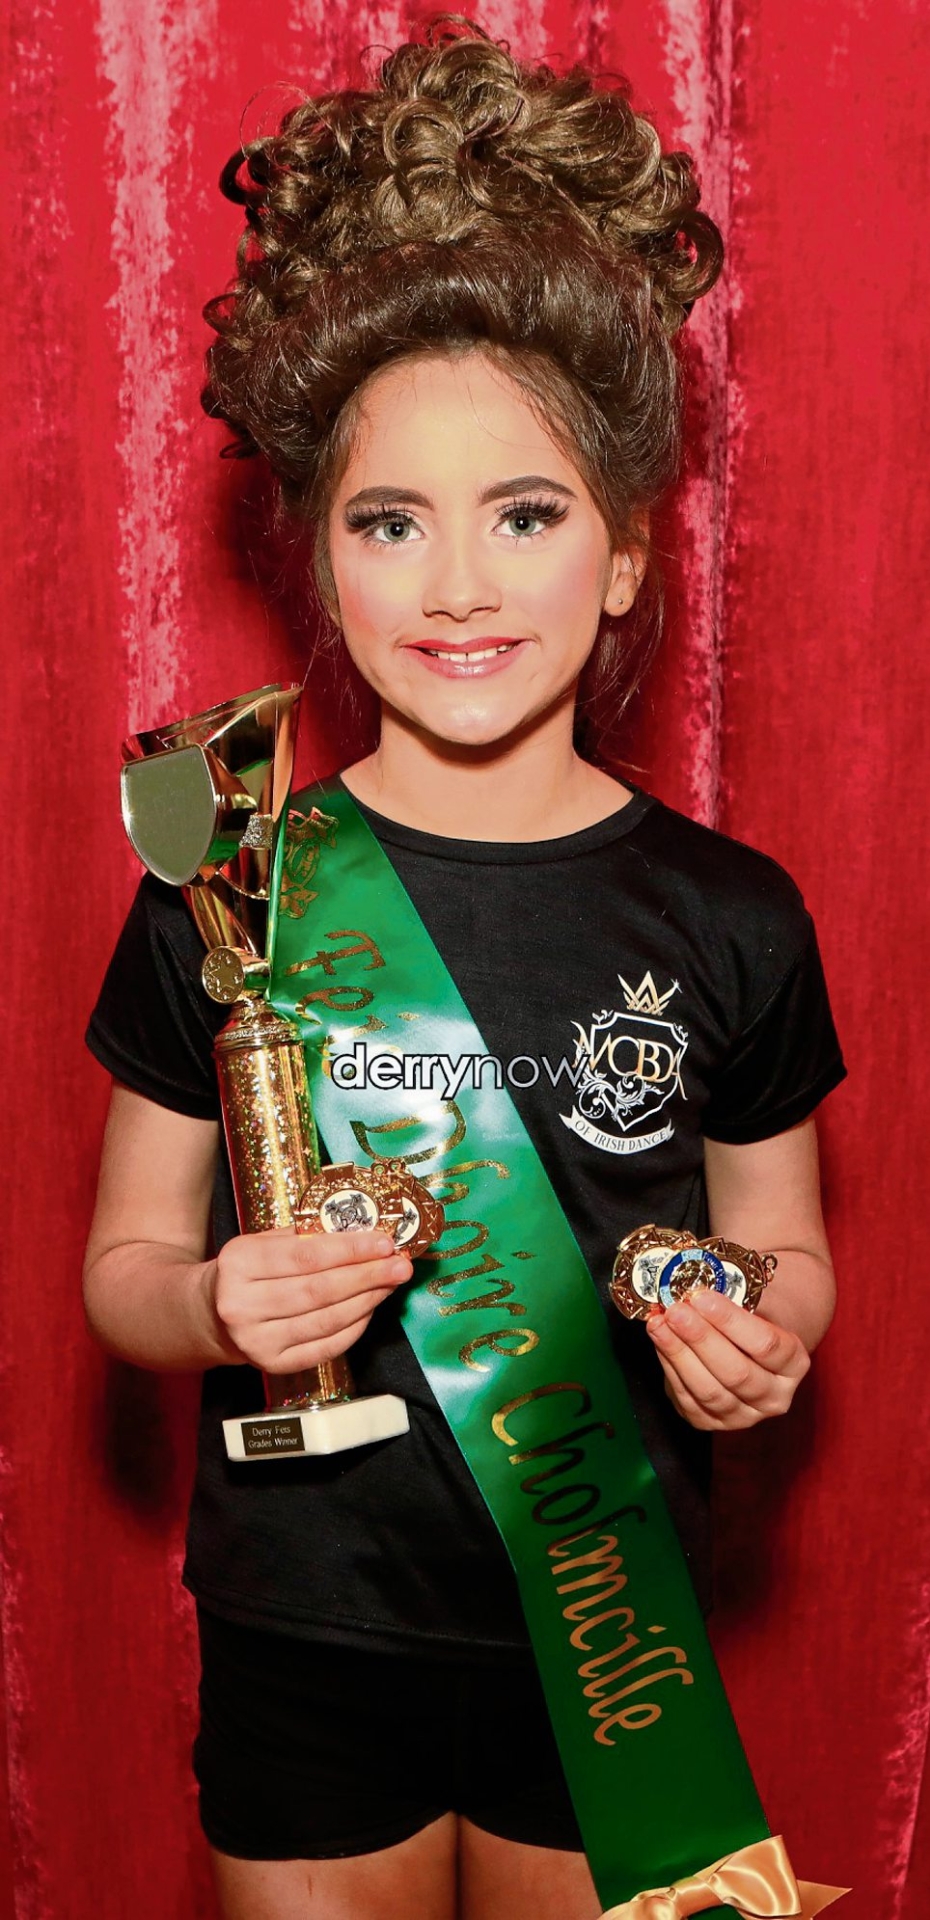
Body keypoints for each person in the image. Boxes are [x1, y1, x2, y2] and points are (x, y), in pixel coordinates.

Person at [82, 20, 846, 1920]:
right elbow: (122, 1277)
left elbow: (786, 1248)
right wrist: (220, 1301)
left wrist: (756, 1344)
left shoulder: (735, 916)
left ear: (625, 557)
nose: (455, 585)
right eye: (388, 522)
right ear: (318, 561)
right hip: (303, 1624)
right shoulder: (229, 889)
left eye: (524, 514)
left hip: (601, 1628)